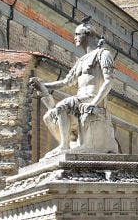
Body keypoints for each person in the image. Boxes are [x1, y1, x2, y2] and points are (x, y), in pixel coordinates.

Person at [30, 21, 119, 158]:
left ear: (88, 35)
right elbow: (66, 82)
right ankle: (68, 143)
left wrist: (94, 103)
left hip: (92, 97)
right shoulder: (81, 60)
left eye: (78, 34)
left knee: (62, 106)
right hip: (80, 98)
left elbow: (109, 81)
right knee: (49, 116)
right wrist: (43, 86)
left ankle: (64, 146)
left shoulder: (103, 54)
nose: (75, 37)